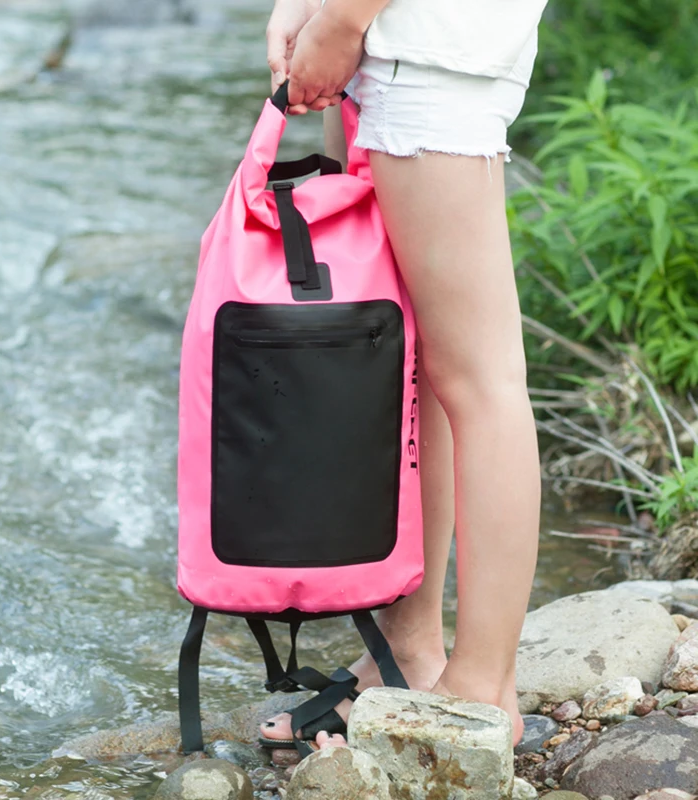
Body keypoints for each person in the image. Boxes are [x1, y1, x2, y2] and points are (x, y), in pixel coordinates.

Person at [259, 0, 548, 750]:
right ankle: (409, 650)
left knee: (482, 384)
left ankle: (482, 686)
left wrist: (343, 19)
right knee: (419, 365)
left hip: (425, 55)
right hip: (396, 47)